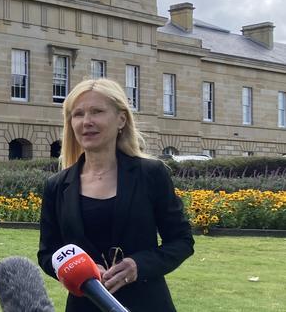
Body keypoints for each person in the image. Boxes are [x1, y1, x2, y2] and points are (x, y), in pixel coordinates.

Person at [37, 78, 194, 312]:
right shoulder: (57, 186)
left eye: (97, 111)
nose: (86, 121)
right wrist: (79, 272)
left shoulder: (151, 174)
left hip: (147, 303)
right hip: (85, 306)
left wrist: (138, 265)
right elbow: (48, 253)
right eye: (78, 114)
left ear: (121, 119)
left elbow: (182, 241)